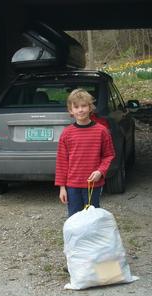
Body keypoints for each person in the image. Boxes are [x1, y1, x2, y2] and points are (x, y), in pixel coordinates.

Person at [55, 88, 115, 217]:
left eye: (84, 106)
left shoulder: (101, 131)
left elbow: (109, 155)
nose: (80, 110)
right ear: (71, 110)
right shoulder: (67, 133)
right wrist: (62, 187)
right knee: (75, 218)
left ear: (90, 107)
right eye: (76, 107)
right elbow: (62, 161)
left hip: (93, 184)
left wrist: (100, 171)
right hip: (72, 185)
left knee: (92, 217)